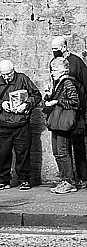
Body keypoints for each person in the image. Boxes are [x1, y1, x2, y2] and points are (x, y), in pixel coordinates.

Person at [0, 59, 41, 191]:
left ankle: (24, 179)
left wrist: (27, 104)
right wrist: (1, 104)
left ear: (13, 71)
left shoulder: (23, 79)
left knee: (23, 153)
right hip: (3, 123)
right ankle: (2, 179)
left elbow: (36, 95)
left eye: (9, 74)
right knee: (3, 153)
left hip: (21, 123)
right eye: (4, 75)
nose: (6, 77)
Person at [52, 36, 87, 187]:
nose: (54, 52)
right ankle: (69, 178)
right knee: (63, 148)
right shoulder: (55, 63)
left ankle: (82, 178)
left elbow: (84, 84)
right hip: (64, 111)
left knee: (78, 145)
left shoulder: (76, 62)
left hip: (77, 111)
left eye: (56, 49)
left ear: (64, 47)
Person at [45, 56, 81, 194]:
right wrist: (49, 95)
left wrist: (56, 102)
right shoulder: (58, 83)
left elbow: (74, 102)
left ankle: (69, 182)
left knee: (62, 152)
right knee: (57, 152)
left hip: (63, 122)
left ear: (64, 70)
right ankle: (63, 180)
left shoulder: (68, 83)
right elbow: (56, 98)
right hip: (57, 122)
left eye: (55, 69)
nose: (52, 72)